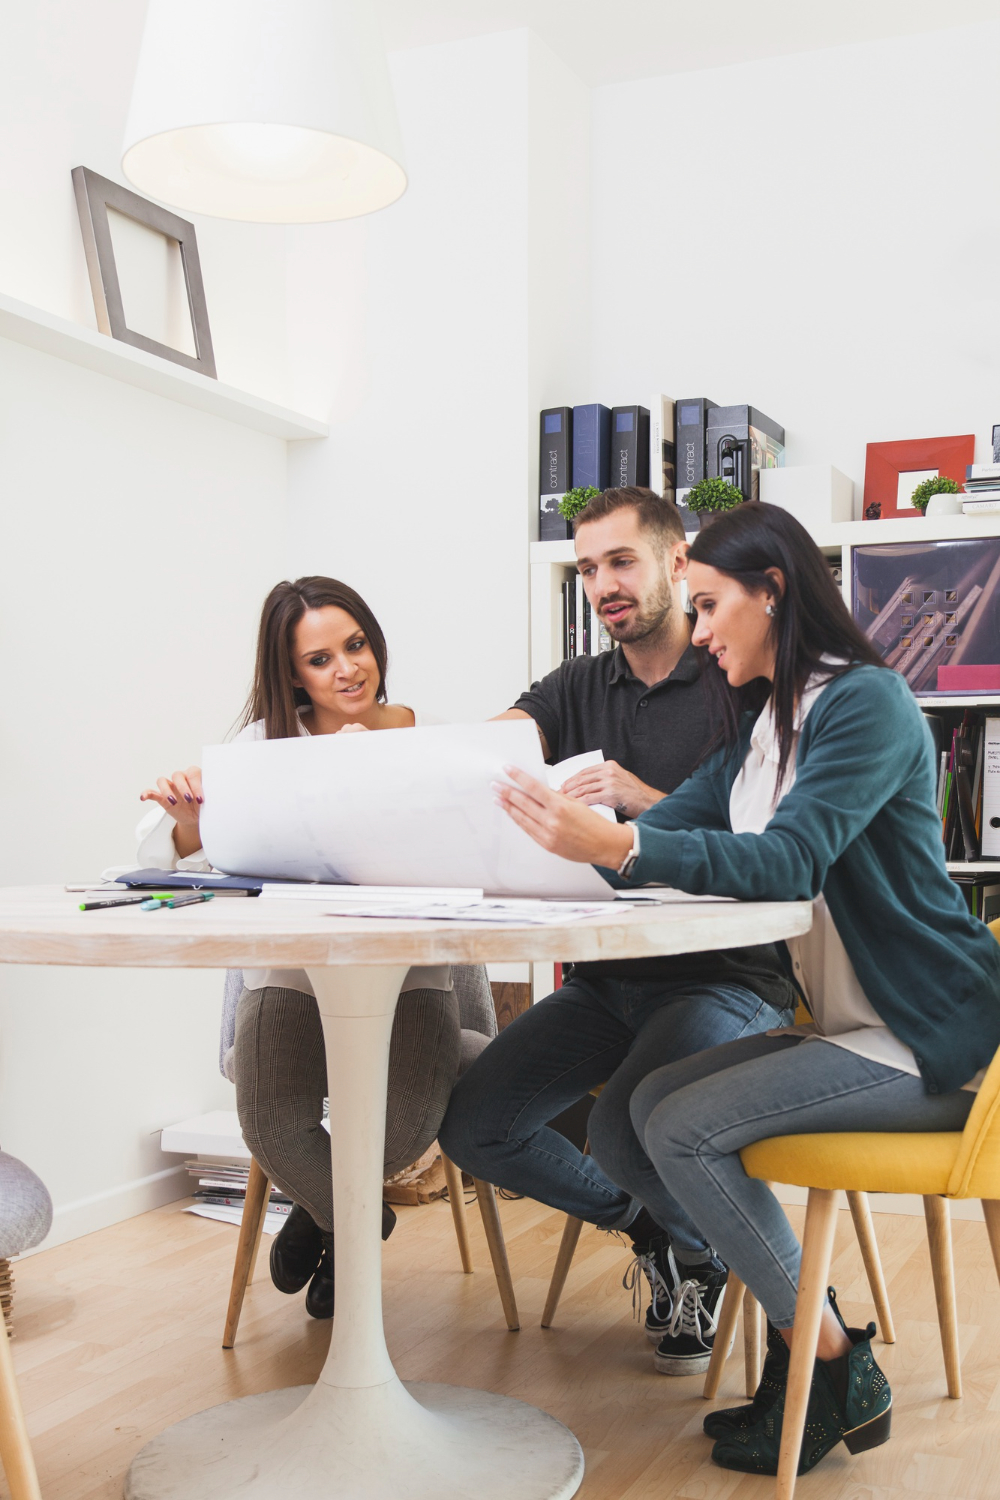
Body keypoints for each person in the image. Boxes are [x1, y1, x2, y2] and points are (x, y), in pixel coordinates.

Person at [493, 501, 1000, 1475]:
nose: (704, 629)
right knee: (619, 1124)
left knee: (676, 1127)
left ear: (771, 593)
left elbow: (791, 858)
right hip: (847, 1030)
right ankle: (815, 1339)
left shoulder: (865, 702)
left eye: (712, 604)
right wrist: (538, 828)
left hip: (927, 1035)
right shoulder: (762, 733)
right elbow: (663, 845)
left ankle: (826, 1359)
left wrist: (627, 840)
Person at [439, 488, 799, 1375]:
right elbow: (489, 750)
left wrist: (641, 807)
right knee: (475, 1126)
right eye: (587, 567)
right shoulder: (574, 686)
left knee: (623, 1128)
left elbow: (772, 842)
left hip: (727, 976)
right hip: (605, 980)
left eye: (621, 561)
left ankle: (703, 1245)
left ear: (679, 565)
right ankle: (667, 1232)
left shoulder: (738, 673)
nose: (602, 583)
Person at [138, 576, 491, 1320]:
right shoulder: (263, 747)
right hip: (293, 978)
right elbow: (174, 854)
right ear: (292, 672)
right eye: (320, 659)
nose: (347, 670)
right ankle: (355, 1221)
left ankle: (324, 1219)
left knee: (399, 1134)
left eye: (355, 645)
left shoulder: (435, 738)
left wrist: (370, 779)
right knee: (269, 1125)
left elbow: (473, 857)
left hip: (410, 980)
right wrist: (184, 819)